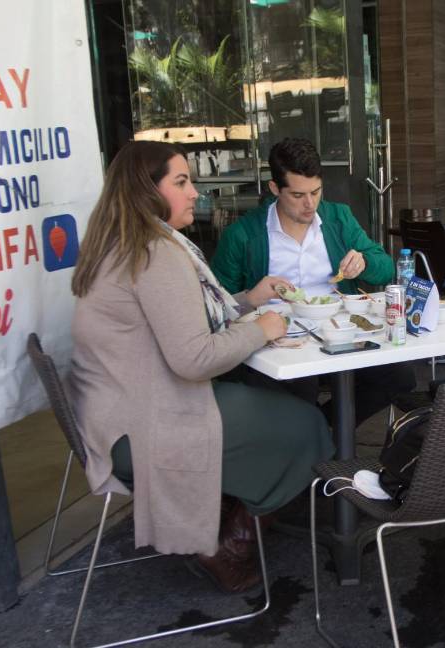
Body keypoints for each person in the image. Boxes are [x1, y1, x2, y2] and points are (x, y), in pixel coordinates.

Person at [67, 141, 334, 594]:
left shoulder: (123, 241)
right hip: (144, 428)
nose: (195, 193)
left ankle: (229, 503)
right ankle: (228, 546)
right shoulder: (156, 253)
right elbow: (194, 359)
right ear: (145, 191)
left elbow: (180, 322)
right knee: (305, 425)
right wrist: (263, 329)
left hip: (113, 416)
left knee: (274, 406)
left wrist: (250, 299)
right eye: (181, 182)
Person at [210, 137, 415, 425]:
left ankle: (325, 432)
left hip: (340, 332)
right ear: (274, 189)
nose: (309, 205)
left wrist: (364, 263)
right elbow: (216, 306)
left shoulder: (338, 218)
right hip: (279, 341)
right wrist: (252, 296)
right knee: (299, 386)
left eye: (316, 192)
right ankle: (317, 437)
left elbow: (383, 270)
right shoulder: (242, 235)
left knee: (399, 376)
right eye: (297, 195)